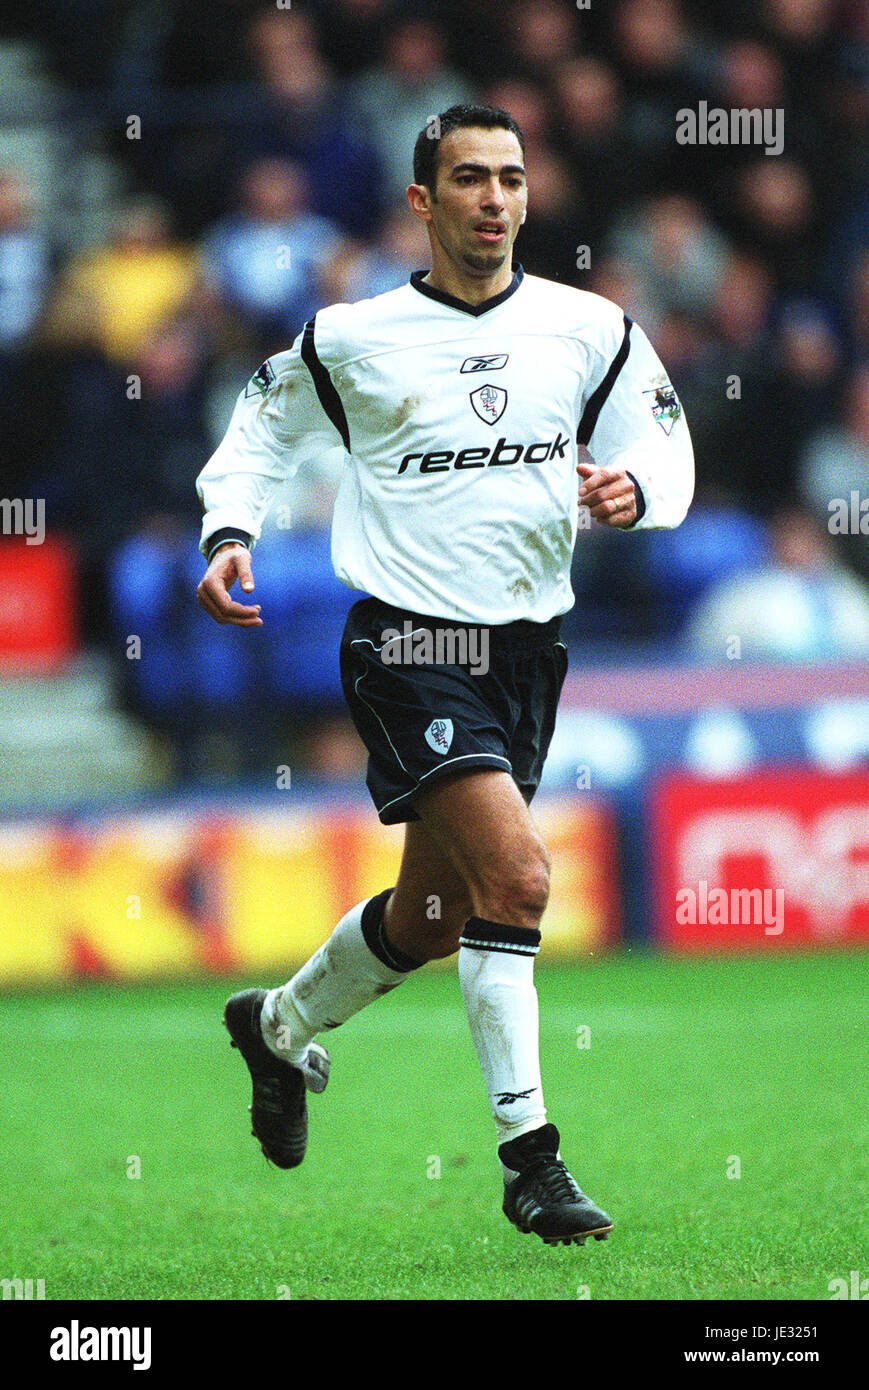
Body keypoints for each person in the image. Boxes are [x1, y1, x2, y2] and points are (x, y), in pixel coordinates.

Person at [195, 104, 694, 1246]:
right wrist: (230, 531)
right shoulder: (355, 335)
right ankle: (531, 1163)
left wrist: (636, 491)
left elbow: (661, 439)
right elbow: (263, 427)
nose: (493, 199)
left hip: (528, 648)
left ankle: (273, 1028)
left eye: (510, 178)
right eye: (467, 179)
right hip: (410, 643)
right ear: (422, 201)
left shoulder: (587, 326)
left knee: (430, 915)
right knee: (516, 882)